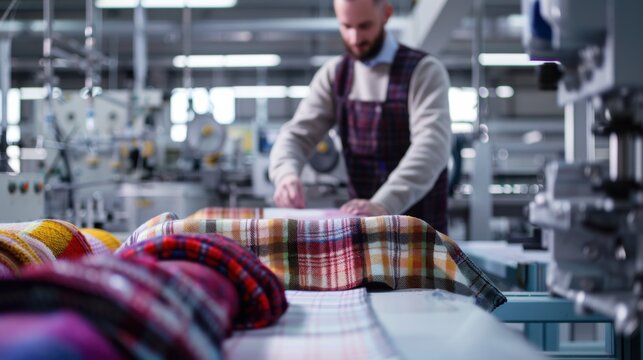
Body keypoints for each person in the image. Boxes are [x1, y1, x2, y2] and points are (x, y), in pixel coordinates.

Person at [269, 0, 452, 233]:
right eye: (346, 26)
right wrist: (286, 175)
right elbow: (295, 135)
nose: (355, 38)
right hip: (362, 233)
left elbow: (432, 146)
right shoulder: (335, 75)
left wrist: (384, 204)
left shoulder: (423, 71)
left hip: (420, 233)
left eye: (364, 26)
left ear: (386, 14)